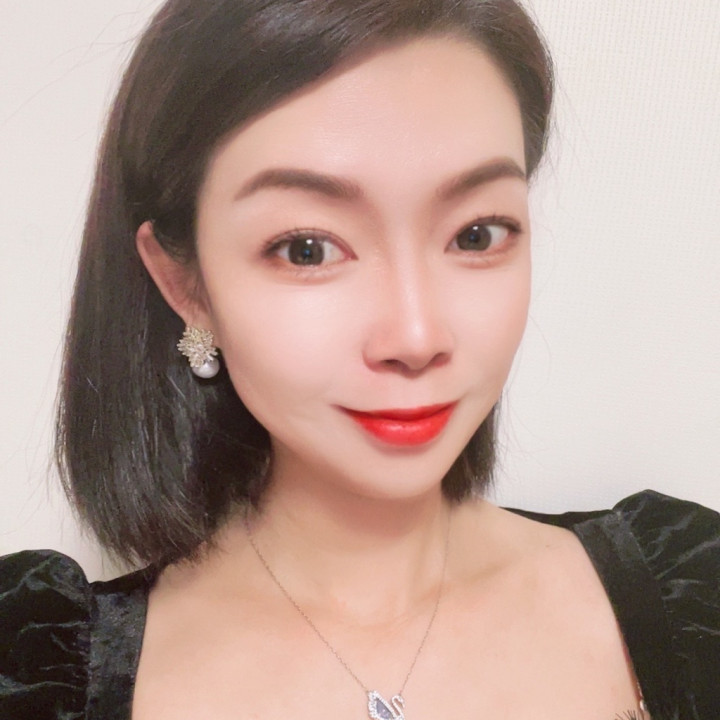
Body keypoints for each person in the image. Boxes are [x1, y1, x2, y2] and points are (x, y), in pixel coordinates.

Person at [1, 1, 718, 718]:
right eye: (306, 248)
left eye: (476, 234)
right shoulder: (35, 670)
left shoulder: (690, 597)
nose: (416, 336)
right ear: (185, 284)